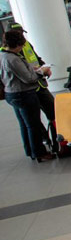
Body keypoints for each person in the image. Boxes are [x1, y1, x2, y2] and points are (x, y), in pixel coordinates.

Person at [1, 29, 55, 162]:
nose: (21, 48)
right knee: (33, 125)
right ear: (16, 44)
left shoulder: (3, 55)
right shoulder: (13, 59)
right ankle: (39, 152)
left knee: (24, 124)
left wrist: (32, 69)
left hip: (11, 93)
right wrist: (41, 72)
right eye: (21, 45)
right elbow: (29, 79)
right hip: (23, 94)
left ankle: (30, 150)